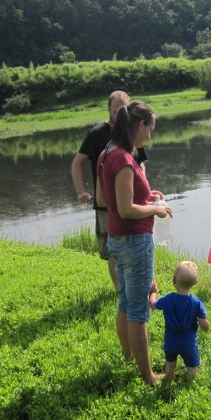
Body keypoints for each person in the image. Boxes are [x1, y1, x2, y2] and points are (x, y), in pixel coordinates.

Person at [96, 100, 171, 385]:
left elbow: (105, 200)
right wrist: (156, 209)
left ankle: (129, 357)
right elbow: (126, 209)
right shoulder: (125, 159)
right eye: (150, 128)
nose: (150, 135)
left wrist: (146, 195)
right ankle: (149, 376)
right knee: (139, 313)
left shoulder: (108, 152)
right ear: (139, 125)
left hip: (117, 239)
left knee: (125, 304)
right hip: (135, 242)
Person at [70, 90, 148, 290]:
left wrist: (144, 191)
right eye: (116, 111)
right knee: (113, 251)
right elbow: (76, 163)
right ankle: (120, 290)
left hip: (130, 201)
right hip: (105, 202)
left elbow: (140, 164)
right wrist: (81, 191)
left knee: (129, 245)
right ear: (109, 111)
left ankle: (127, 291)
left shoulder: (131, 135)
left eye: (123, 110)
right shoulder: (98, 134)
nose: (120, 114)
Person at [148, 260, 209, 381]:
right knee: (191, 367)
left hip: (171, 341)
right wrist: (206, 326)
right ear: (195, 282)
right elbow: (204, 324)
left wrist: (154, 292)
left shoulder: (168, 299)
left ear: (174, 280)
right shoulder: (197, 303)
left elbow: (152, 304)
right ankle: (191, 383)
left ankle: (169, 378)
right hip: (189, 344)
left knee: (170, 364)